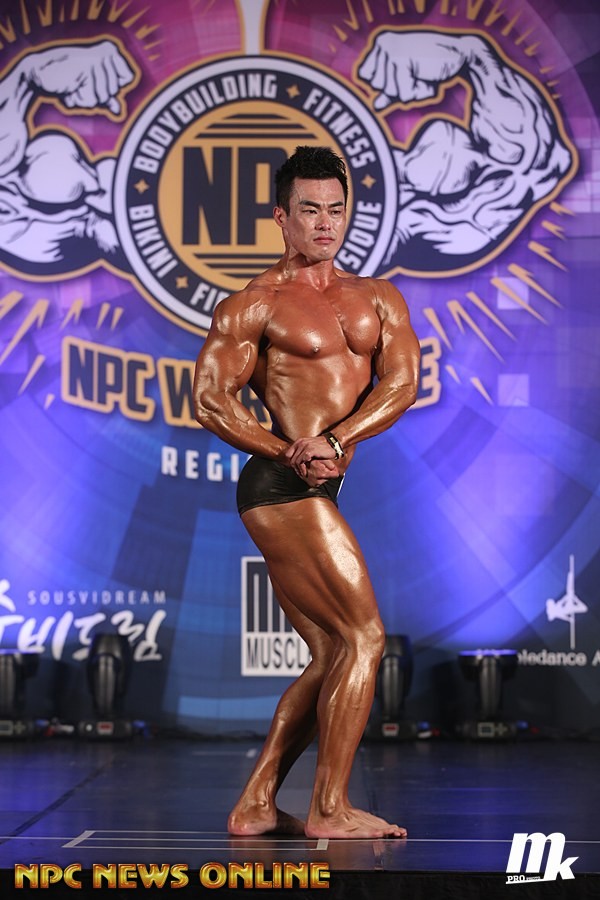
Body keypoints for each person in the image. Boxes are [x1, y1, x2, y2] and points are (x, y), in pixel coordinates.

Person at [193, 146, 421, 840]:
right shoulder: (255, 303)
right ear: (282, 217)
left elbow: (402, 382)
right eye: (310, 210)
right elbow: (211, 398)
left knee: (330, 655)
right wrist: (287, 447)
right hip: (280, 485)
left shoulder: (378, 296)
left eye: (336, 209)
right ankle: (329, 807)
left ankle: (257, 803)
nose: (325, 223)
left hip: (324, 479)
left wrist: (339, 438)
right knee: (365, 637)